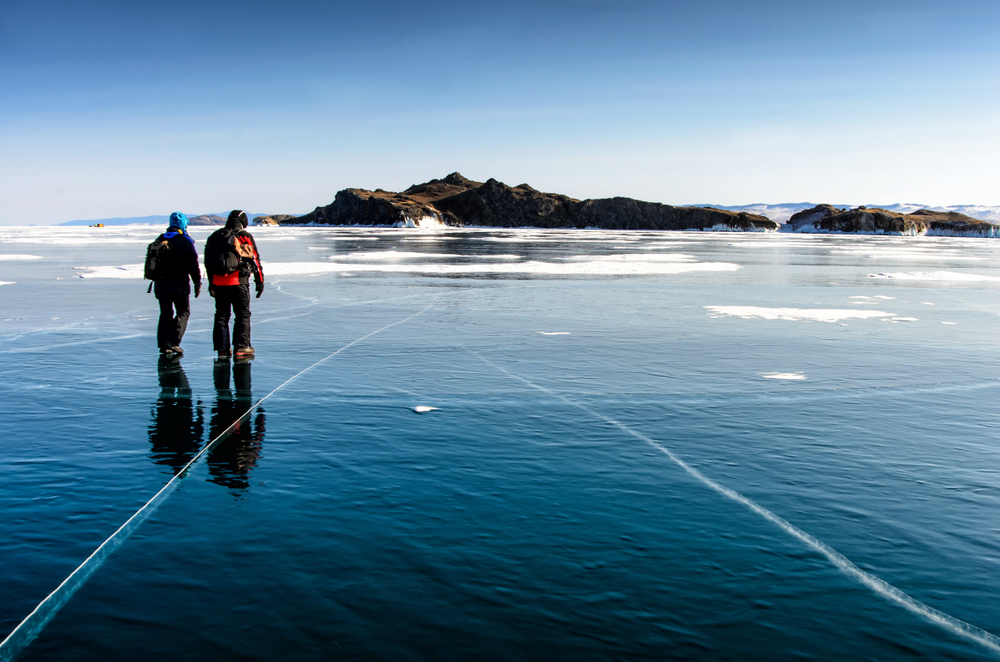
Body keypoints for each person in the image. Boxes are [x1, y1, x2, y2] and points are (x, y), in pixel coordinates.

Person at [204, 210, 264, 359]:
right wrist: (260, 281)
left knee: (221, 316)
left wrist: (211, 284)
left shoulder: (215, 236)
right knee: (242, 314)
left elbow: (208, 262)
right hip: (239, 282)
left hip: (219, 283)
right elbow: (254, 260)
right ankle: (242, 347)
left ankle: (222, 349)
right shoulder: (244, 236)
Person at [153, 212, 201, 356]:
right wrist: (197, 282)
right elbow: (193, 264)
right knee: (183, 312)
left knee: (166, 313)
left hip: (161, 284)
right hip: (178, 284)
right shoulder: (184, 241)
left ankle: (163, 344)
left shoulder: (160, 239)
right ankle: (172, 342)